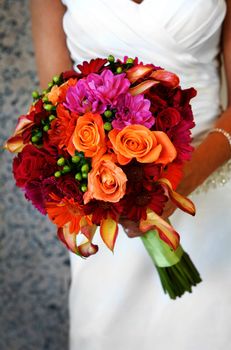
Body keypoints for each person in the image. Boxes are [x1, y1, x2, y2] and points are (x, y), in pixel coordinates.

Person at [30, 0, 231, 349]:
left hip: (209, 185)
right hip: (108, 205)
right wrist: (103, 181)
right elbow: (53, 108)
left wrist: (179, 183)